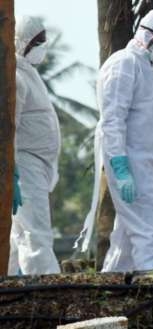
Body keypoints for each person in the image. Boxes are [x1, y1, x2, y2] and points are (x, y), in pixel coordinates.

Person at [95, 10, 153, 272]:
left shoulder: (147, 70)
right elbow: (112, 120)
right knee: (150, 236)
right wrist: (120, 167)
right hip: (131, 166)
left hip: (146, 168)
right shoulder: (124, 64)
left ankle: (108, 290)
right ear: (148, 35)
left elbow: (149, 127)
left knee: (126, 244)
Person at [9, 16, 61, 275]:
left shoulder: (28, 73)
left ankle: (7, 286)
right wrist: (12, 171)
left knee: (17, 236)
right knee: (35, 235)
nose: (42, 46)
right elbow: (9, 128)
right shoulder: (15, 77)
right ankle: (46, 289)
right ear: (22, 43)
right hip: (25, 164)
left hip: (35, 165)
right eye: (37, 41)